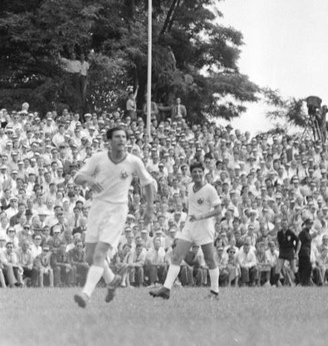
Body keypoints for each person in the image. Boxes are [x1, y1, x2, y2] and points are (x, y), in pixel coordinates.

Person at [73, 126, 155, 308]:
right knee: (89, 257)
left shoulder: (134, 162)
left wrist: (149, 207)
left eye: (124, 137)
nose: (121, 140)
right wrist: (90, 180)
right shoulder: (98, 159)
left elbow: (148, 184)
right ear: (109, 141)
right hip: (97, 208)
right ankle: (111, 280)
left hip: (117, 210)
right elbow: (77, 177)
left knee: (100, 254)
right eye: (117, 137)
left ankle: (85, 294)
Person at [149, 162, 222, 300]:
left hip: (204, 228)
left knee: (210, 259)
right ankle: (166, 289)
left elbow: (218, 210)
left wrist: (200, 216)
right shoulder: (189, 187)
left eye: (200, 171)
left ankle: (215, 292)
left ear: (203, 172)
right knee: (176, 256)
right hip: (189, 227)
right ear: (191, 174)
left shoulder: (210, 189)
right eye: (195, 172)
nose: (197, 174)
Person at [276, 218, 299, 286]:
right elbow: (279, 242)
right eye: (282, 224)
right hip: (282, 251)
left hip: (289, 251)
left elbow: (297, 241)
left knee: (293, 268)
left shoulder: (290, 232)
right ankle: (276, 283)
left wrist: (295, 250)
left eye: (285, 224)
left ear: (287, 224)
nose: (284, 225)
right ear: (281, 225)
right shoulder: (279, 233)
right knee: (278, 267)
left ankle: (298, 282)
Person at [297, 218, 314, 286]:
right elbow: (299, 242)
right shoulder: (303, 232)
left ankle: (305, 282)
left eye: (311, 224)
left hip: (307, 252)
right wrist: (297, 252)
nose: (310, 226)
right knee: (307, 267)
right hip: (303, 252)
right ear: (306, 224)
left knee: (306, 267)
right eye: (309, 224)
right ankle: (303, 282)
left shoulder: (308, 233)